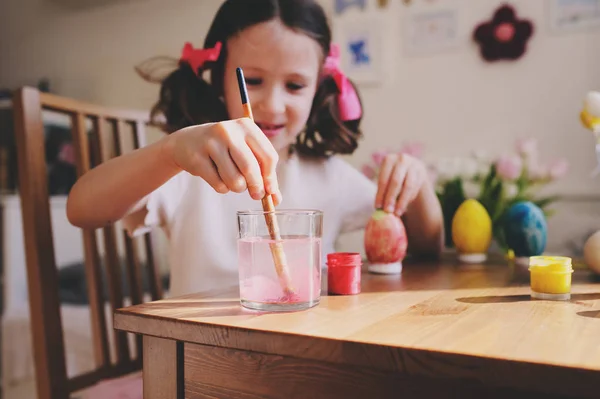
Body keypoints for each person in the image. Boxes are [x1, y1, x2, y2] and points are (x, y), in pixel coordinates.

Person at [66, 0, 444, 296]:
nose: (273, 105)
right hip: (199, 364)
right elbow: (82, 209)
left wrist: (419, 185)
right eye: (255, 81)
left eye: (295, 86)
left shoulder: (329, 177)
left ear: (320, 90)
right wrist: (169, 151)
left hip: (297, 361)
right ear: (219, 81)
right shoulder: (186, 169)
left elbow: (429, 249)